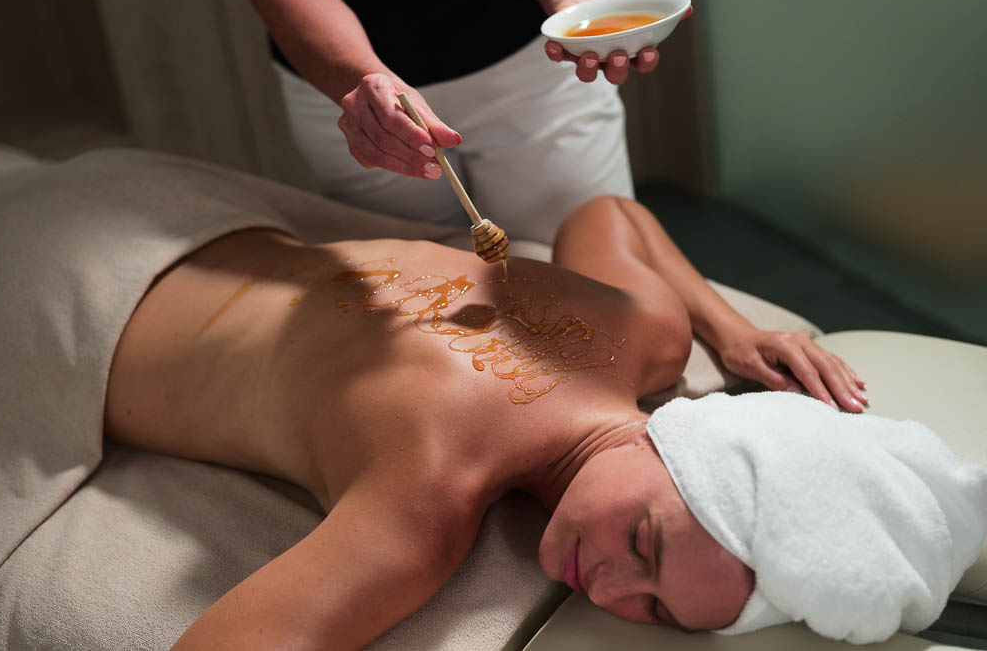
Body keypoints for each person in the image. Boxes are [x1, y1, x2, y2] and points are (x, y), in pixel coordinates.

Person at [102, 193, 867, 650]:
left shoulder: (653, 330)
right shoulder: (426, 502)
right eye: (642, 541)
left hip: (193, 225)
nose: (608, 587)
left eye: (655, 609)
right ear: (673, 435)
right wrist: (734, 333)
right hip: (98, 299)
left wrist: (717, 327)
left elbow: (609, 217)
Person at [246, 0, 692, 244]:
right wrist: (359, 77)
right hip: (353, 85)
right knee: (416, 293)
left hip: (530, 65)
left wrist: (574, 1)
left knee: (589, 255)